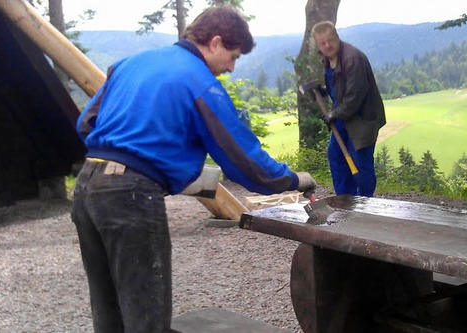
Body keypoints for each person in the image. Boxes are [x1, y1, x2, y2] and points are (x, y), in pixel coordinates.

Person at [70, 5, 317, 333]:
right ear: (215, 42)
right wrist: (292, 179)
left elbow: (85, 124)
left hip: (87, 188)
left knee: (108, 310)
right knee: (147, 316)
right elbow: (244, 159)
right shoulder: (199, 81)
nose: (230, 68)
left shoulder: (129, 64)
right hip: (129, 199)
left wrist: (142, 159)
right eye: (233, 56)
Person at [312, 20, 386, 197]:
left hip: (362, 120)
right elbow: (340, 89)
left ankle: (365, 204)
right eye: (322, 43)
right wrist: (323, 92)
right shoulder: (328, 59)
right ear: (318, 44)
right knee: (336, 157)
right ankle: (345, 201)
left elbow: (355, 97)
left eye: (330, 40)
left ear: (337, 37)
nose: (327, 45)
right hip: (343, 117)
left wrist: (333, 114)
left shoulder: (353, 59)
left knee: (360, 163)